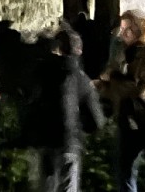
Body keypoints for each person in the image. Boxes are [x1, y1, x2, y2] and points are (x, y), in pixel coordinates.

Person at [96, 10, 145, 192]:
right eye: (122, 29)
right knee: (124, 170)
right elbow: (112, 77)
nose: (123, 33)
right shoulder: (126, 51)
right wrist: (102, 85)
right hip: (130, 119)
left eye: (128, 29)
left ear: (142, 28)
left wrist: (114, 81)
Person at [24, 26, 104, 192]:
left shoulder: (40, 73)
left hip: (45, 140)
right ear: (79, 50)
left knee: (47, 185)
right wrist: (81, 130)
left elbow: (29, 102)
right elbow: (96, 120)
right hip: (69, 142)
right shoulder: (82, 79)